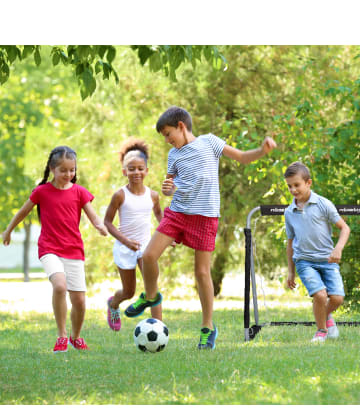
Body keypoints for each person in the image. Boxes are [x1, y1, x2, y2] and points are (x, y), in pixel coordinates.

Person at [124, 105, 277, 350]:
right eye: (163, 136)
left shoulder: (210, 142)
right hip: (177, 213)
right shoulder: (174, 155)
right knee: (149, 256)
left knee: (202, 273)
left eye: (167, 134)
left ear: (181, 126)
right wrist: (167, 190)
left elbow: (241, 157)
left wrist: (262, 150)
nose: (166, 140)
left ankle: (207, 328)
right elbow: (171, 186)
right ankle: (150, 296)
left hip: (205, 217)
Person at [2, 146, 108, 353]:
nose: (69, 175)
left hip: (74, 250)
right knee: (60, 286)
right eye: (64, 170)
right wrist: (8, 231)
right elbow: (22, 212)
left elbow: (92, 215)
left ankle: (75, 337)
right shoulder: (41, 192)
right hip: (49, 248)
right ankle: (61, 336)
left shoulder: (79, 192)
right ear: (52, 169)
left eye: (72, 170)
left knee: (79, 301)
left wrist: (100, 225)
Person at [284, 161, 350, 343]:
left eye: (296, 185)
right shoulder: (289, 212)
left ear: (308, 183)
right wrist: (291, 271)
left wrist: (338, 249)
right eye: (289, 186)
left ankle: (325, 316)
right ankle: (321, 330)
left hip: (328, 260)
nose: (293, 190)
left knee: (337, 298)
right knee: (320, 295)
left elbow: (345, 228)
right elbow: (290, 243)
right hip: (304, 261)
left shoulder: (323, 204)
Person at [104, 138, 164, 331]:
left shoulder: (153, 195)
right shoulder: (120, 195)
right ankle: (113, 304)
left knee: (152, 288)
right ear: (124, 171)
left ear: (146, 170)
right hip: (124, 247)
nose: (136, 172)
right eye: (131, 169)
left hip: (146, 247)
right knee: (129, 292)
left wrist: (167, 236)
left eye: (140, 168)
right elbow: (107, 222)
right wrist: (126, 241)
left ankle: (159, 327)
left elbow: (159, 216)